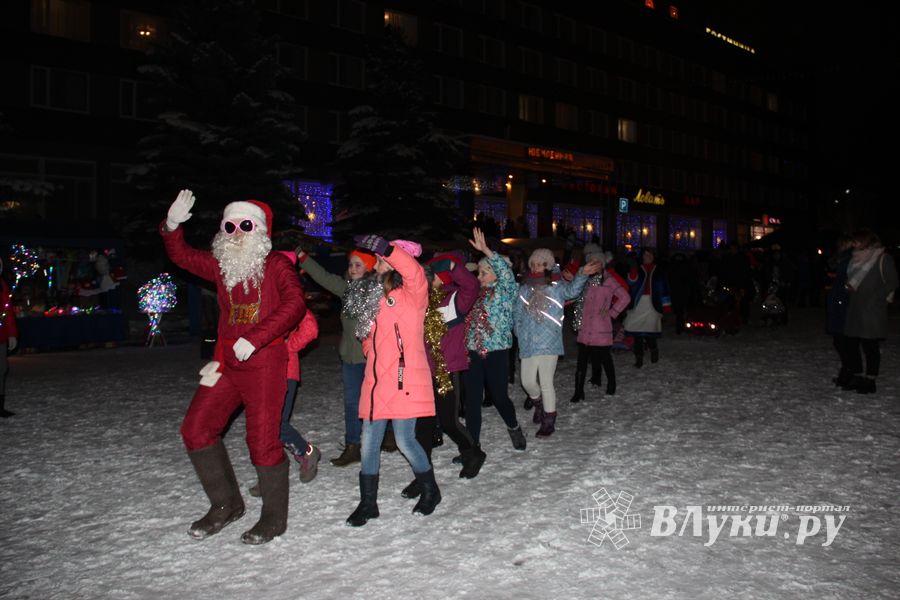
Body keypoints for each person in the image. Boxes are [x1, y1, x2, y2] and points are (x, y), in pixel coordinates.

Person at [162, 189, 306, 545]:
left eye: (245, 225)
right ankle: (226, 504)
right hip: (226, 365)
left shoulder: (276, 265)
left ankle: (273, 518)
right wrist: (172, 224)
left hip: (265, 365)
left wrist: (256, 337)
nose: (237, 233)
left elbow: (295, 305)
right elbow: (180, 255)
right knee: (195, 428)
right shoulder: (221, 265)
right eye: (230, 227)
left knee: (262, 441)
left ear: (259, 231)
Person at [344, 235, 441, 526]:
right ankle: (368, 503)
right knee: (369, 442)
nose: (379, 262)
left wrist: (386, 247)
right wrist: (368, 348)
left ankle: (430, 490)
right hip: (375, 381)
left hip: (403, 378)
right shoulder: (373, 293)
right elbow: (368, 333)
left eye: (384, 258)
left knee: (404, 440)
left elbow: (411, 268)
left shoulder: (415, 290)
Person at [403, 252, 483, 495]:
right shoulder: (420, 301)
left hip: (446, 371)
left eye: (433, 276)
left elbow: (472, 285)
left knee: (448, 422)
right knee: (423, 427)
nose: (428, 280)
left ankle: (473, 453)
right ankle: (423, 475)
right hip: (421, 373)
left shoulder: (454, 300)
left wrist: (452, 266)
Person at [295, 245, 376, 466]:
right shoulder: (346, 289)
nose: (352, 269)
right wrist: (303, 256)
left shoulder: (377, 291)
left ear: (369, 268)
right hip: (349, 358)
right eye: (350, 264)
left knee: (376, 401)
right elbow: (323, 277)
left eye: (358, 265)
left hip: (372, 358)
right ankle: (353, 446)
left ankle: (387, 434)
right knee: (351, 404)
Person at [514, 248, 600, 437]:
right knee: (527, 382)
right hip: (528, 342)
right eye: (534, 263)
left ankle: (549, 419)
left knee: (546, 382)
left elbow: (572, 291)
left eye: (542, 263)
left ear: (548, 266)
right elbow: (517, 313)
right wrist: (519, 333)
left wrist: (581, 274)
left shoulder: (556, 286)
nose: (537, 266)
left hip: (548, 342)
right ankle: (539, 405)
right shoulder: (525, 288)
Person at [248, 285, 320, 496]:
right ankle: (270, 475)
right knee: (262, 427)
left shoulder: (290, 303)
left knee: (276, 424)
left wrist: (286, 348)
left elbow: (311, 329)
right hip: (261, 371)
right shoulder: (259, 302)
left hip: (285, 371)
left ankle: (307, 451)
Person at [463, 227, 527, 452]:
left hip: (497, 351)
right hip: (473, 351)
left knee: (499, 397)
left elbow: (507, 273)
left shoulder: (506, 290)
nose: (479, 277)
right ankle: (472, 447)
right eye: (478, 272)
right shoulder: (474, 294)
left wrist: (487, 251)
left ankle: (514, 426)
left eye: (484, 272)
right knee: (471, 400)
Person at [840, 229, 898, 394]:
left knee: (870, 345)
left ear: (868, 241)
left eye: (858, 241)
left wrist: (877, 297)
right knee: (851, 343)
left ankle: (870, 379)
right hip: (856, 307)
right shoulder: (855, 259)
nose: (855, 244)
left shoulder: (882, 257)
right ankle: (858, 375)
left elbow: (892, 281)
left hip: (872, 310)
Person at [570, 249, 630, 400]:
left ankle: (611, 384)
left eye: (597, 262)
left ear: (602, 264)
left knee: (605, 359)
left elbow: (625, 297)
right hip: (585, 329)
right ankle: (578, 391)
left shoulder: (608, 280)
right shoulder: (584, 280)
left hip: (601, 329)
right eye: (591, 262)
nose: (594, 265)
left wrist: (611, 312)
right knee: (581, 361)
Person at [623, 248, 671, 368]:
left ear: (653, 257)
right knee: (637, 333)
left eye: (649, 255)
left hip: (653, 305)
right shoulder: (638, 269)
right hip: (638, 304)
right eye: (645, 255)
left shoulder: (660, 271)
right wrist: (633, 270)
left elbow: (665, 288)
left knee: (650, 333)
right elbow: (631, 282)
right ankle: (639, 358)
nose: (647, 257)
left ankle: (654, 351)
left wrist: (666, 306)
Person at [825, 235, 854, 388]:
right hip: (838, 299)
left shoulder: (849, 260)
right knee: (840, 339)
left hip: (843, 300)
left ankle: (849, 372)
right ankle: (847, 371)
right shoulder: (842, 259)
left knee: (843, 340)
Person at [0, 258, 18, 418]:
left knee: (1, 368)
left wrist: (12, 334)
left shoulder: (2, 285)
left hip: (1, 336)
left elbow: (7, 311)